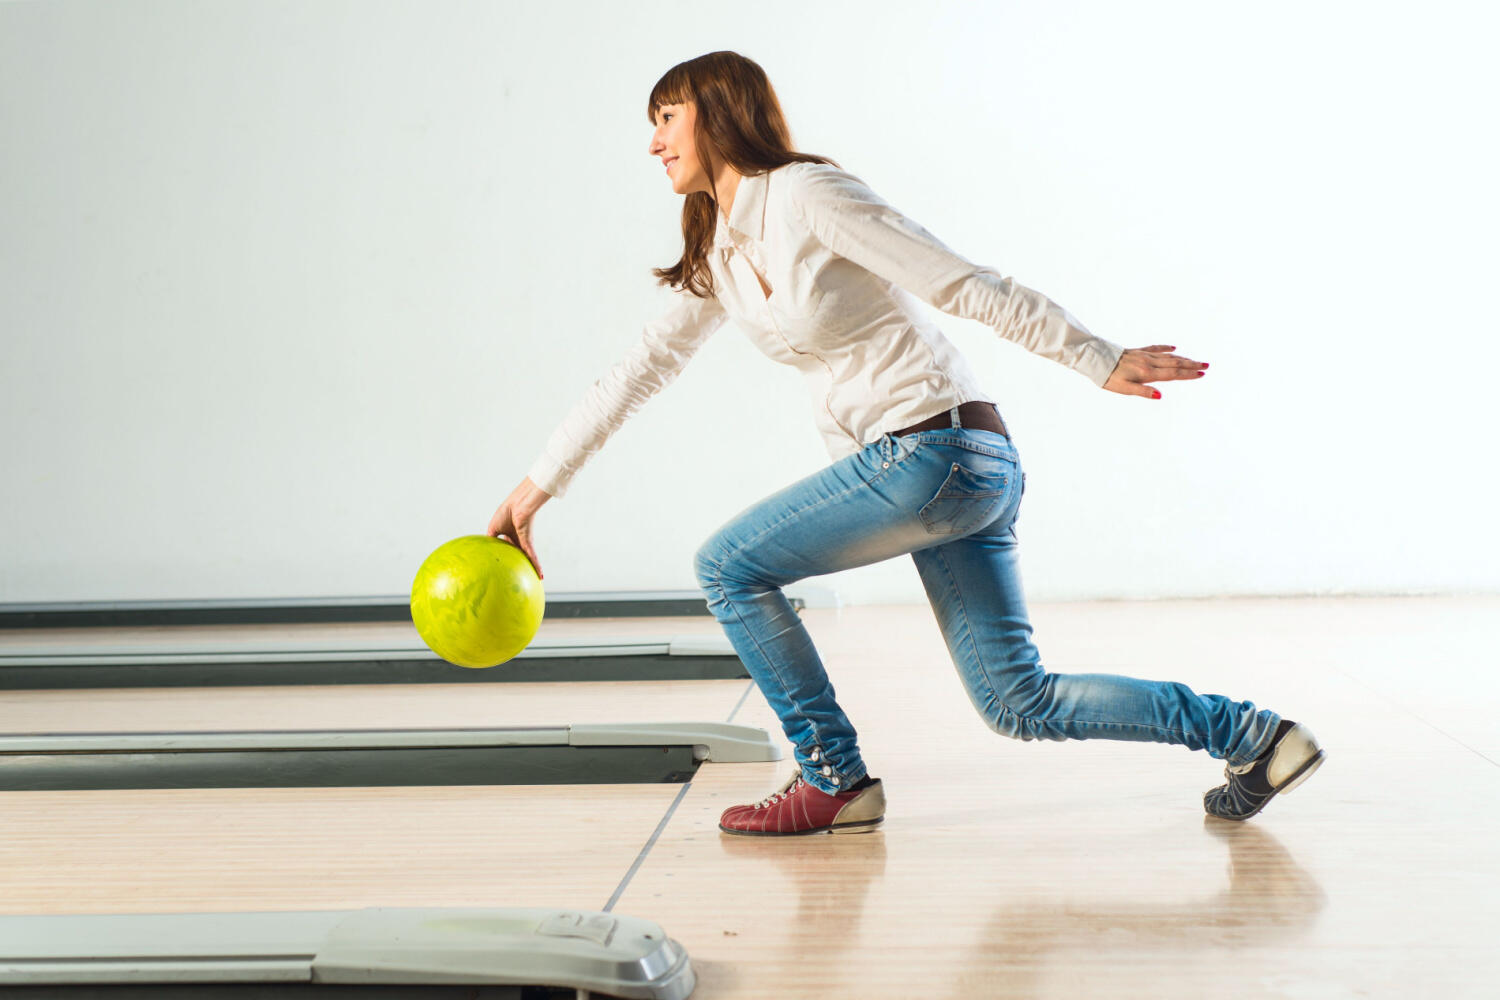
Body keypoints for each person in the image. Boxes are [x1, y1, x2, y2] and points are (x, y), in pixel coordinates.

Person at [486, 51, 1324, 836]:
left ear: (718, 112)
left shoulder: (808, 195)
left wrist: (1093, 355)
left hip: (936, 453)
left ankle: (833, 778)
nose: (653, 141)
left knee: (726, 566)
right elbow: (638, 369)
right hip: (952, 470)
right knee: (1017, 702)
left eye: (667, 116)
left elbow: (954, 278)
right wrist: (532, 492)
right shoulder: (722, 247)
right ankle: (1255, 735)